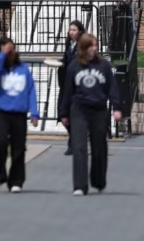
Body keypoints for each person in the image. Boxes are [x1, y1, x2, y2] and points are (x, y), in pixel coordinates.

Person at [59, 33, 122, 197]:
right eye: (91, 45)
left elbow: (112, 88)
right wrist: (63, 113)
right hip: (79, 110)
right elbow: (68, 91)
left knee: (99, 146)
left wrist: (117, 108)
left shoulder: (104, 66)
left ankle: (98, 180)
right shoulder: (74, 66)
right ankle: (80, 185)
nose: (95, 48)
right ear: (84, 48)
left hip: (99, 110)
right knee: (79, 147)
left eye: (96, 45)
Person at [0, 38, 39, 193]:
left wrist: (34, 112)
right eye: (7, 51)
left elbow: (31, 90)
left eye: (12, 50)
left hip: (19, 113)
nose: (10, 53)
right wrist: (2, 55)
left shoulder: (23, 69)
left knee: (19, 148)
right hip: (2, 112)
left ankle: (16, 180)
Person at [57, 20, 86, 156]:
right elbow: (66, 61)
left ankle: (73, 144)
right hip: (66, 84)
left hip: (77, 84)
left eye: (74, 30)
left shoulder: (83, 45)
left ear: (80, 31)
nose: (71, 32)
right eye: (70, 30)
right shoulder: (69, 45)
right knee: (62, 113)